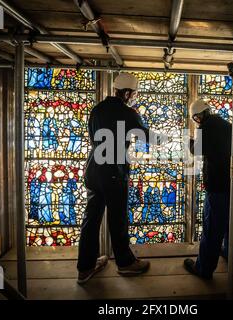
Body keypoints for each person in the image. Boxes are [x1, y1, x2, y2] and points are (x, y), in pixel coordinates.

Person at [77, 73, 164, 284]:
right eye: (133, 93)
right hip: (113, 173)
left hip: (93, 170)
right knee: (118, 220)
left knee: (91, 219)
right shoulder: (127, 113)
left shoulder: (96, 110)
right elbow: (147, 138)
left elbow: (92, 138)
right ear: (126, 93)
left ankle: (85, 268)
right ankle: (125, 264)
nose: (134, 97)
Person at [184, 99, 233, 279]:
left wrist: (188, 139)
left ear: (198, 116)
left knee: (212, 228)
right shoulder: (228, 125)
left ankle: (203, 269)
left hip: (218, 187)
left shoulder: (205, 128)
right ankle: (232, 257)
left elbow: (196, 150)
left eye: (195, 119)